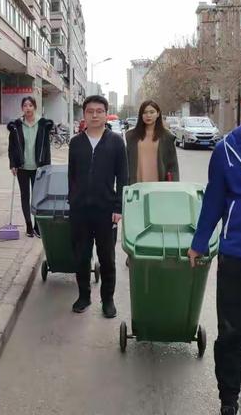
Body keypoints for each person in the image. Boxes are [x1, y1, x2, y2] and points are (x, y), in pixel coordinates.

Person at [188, 70, 241, 415]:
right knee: (231, 332)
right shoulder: (226, 150)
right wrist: (198, 242)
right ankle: (227, 396)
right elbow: (214, 201)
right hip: (237, 256)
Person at [68, 95, 128, 318]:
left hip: (106, 211)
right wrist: (72, 201)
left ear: (105, 113)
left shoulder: (115, 142)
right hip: (80, 211)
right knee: (81, 257)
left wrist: (118, 207)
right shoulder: (75, 143)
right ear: (84, 114)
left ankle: (108, 299)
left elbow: (123, 177)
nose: (94, 115)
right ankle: (83, 296)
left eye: (99, 111)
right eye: (90, 111)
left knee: (107, 258)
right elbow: (71, 176)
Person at [7, 96, 53, 238]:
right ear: (22, 108)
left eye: (30, 105)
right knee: (25, 196)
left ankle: (37, 225)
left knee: (37, 198)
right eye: (25, 105)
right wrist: (13, 164)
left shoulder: (43, 125)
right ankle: (28, 225)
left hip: (38, 168)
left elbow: (46, 148)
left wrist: (47, 166)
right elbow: (12, 148)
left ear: (35, 107)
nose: (28, 108)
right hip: (22, 167)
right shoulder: (16, 126)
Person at [126, 100, 179, 184]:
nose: (148, 115)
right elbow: (126, 163)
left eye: (152, 112)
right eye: (145, 112)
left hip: (159, 187)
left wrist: (174, 185)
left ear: (158, 114)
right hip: (136, 186)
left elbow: (173, 165)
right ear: (141, 115)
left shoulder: (167, 136)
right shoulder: (131, 136)